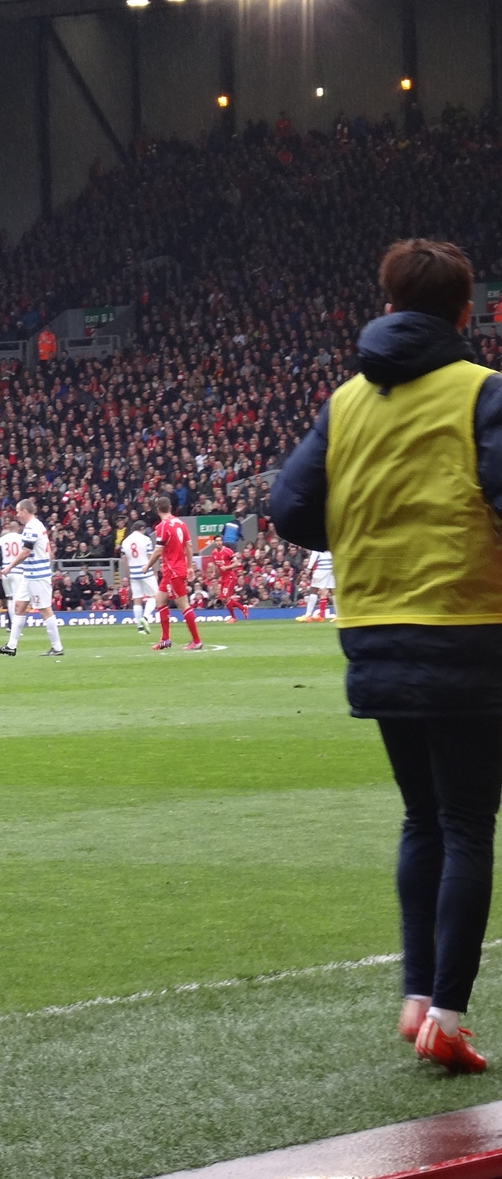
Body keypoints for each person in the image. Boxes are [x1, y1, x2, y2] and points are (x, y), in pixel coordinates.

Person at [272, 238, 502, 1075]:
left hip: (373, 631)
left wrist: (375, 525)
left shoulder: (345, 402)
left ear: (387, 302)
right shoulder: (483, 393)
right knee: (470, 822)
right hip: (470, 628)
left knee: (422, 818)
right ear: (464, 313)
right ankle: (447, 1011)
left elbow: (291, 508)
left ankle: (416, 998)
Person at [0, 499, 63, 657]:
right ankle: (11, 646)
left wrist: (9, 567)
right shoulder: (37, 525)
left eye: (18, 511)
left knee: (45, 609)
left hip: (37, 575)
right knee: (19, 606)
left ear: (25, 511)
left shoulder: (31, 528)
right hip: (30, 574)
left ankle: (57, 647)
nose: (16, 514)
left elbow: (26, 552)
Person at [147, 496, 203, 651]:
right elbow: (189, 546)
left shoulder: (163, 526)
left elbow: (158, 551)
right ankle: (165, 640)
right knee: (160, 599)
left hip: (172, 570)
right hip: (175, 569)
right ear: (170, 507)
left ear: (157, 509)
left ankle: (196, 640)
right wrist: (190, 565)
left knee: (183, 605)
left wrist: (147, 566)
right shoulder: (180, 523)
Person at [119, 519, 158, 633]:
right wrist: (155, 572)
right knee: (155, 596)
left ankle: (139, 627)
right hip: (146, 570)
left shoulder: (125, 541)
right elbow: (151, 557)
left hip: (133, 572)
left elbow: (124, 561)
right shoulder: (146, 539)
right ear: (142, 529)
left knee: (137, 599)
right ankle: (145, 618)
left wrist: (128, 574)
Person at [0, 519, 25, 634]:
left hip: (5, 571)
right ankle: (15, 627)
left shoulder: (2, 539)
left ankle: (12, 626)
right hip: (18, 570)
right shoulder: (21, 538)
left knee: (9, 598)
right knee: (16, 598)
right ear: (18, 528)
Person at [209, 533, 249, 621]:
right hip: (223, 578)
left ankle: (233, 617)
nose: (218, 542)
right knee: (224, 600)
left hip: (230, 577)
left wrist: (226, 567)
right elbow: (216, 564)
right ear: (214, 542)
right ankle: (243, 609)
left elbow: (236, 563)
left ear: (222, 542)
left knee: (224, 598)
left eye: (220, 540)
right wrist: (214, 572)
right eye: (217, 541)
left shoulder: (228, 551)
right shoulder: (214, 552)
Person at [296, 549, 337, 621]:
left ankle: (307, 615)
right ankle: (339, 615)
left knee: (314, 590)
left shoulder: (318, 544)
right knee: (333, 591)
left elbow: (314, 555)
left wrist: (309, 568)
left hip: (322, 570)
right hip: (331, 569)